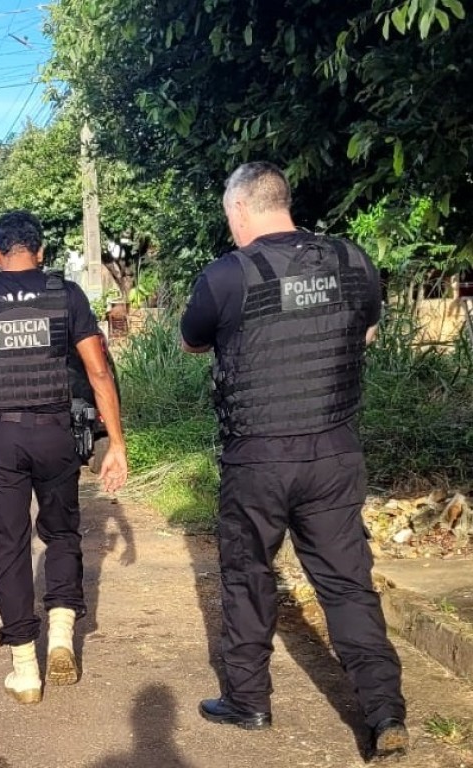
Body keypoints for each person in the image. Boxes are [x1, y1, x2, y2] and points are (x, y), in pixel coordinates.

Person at [180, 162, 408, 760]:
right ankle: (385, 712)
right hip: (334, 450)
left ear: (240, 209)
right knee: (347, 583)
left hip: (258, 456)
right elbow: (366, 332)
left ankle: (249, 701)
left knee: (248, 575)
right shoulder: (353, 260)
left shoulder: (227, 275)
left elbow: (192, 340)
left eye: (229, 214)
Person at [0, 210, 128, 704]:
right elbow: (99, 372)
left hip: (2, 437)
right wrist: (116, 442)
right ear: (40, 252)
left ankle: (25, 670)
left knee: (8, 545)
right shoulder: (65, 294)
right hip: (55, 433)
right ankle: (61, 634)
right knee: (61, 532)